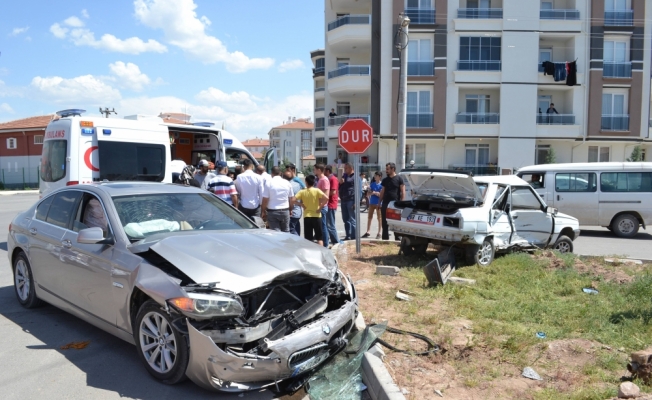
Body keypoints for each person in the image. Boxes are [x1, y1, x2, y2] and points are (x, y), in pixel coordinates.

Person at [295, 175, 329, 246]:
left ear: (306, 182)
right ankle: (321, 252)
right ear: (314, 182)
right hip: (317, 215)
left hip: (307, 216)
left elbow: (292, 200)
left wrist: (301, 204)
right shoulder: (317, 190)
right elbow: (326, 198)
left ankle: (309, 253)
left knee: (308, 238)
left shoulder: (302, 192)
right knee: (319, 237)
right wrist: (320, 207)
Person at [262, 166, 295, 232]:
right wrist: (291, 209)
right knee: (286, 231)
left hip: (272, 211)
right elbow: (291, 198)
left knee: (275, 233)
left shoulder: (269, 183)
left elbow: (265, 199)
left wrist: (263, 211)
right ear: (280, 173)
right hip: (285, 210)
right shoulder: (287, 183)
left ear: (272, 173)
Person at [380, 162, 405, 241]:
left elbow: (403, 191)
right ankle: (385, 239)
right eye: (386, 169)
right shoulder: (385, 180)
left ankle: (397, 239)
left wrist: (402, 203)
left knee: (395, 222)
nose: (386, 171)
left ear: (392, 169)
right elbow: (382, 191)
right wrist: (379, 202)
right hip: (385, 203)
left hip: (395, 204)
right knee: (384, 222)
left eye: (388, 169)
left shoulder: (399, 179)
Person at [284, 163, 305, 236]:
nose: (287, 172)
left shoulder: (295, 181)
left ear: (293, 170)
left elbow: (304, 190)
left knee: (292, 230)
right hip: (297, 210)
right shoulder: (295, 182)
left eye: (288, 170)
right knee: (296, 227)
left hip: (293, 210)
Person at [324, 165, 342, 246]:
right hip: (328, 203)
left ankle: (335, 241)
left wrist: (323, 195)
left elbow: (333, 192)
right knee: (327, 224)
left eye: (324, 171)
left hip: (331, 204)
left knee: (330, 224)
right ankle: (328, 240)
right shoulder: (328, 179)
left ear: (328, 171)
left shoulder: (333, 179)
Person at [313, 163, 330, 247]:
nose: (314, 171)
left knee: (322, 227)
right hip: (319, 206)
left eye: (315, 169)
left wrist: (320, 206)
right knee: (320, 227)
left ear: (319, 170)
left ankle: (325, 245)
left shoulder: (324, 180)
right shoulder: (319, 179)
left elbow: (326, 196)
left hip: (322, 207)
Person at [362, 171, 383, 239]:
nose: (375, 177)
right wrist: (372, 192)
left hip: (378, 203)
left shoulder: (382, 185)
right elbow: (368, 193)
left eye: (376, 175)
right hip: (371, 203)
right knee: (369, 218)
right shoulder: (372, 184)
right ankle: (368, 231)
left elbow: (381, 195)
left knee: (379, 218)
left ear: (380, 177)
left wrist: (375, 193)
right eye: (375, 175)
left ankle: (379, 232)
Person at [339, 163, 356, 240]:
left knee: (352, 219)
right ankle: (348, 235)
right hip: (343, 199)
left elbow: (358, 190)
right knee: (345, 219)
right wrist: (341, 182)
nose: (345, 170)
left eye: (346, 168)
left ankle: (353, 236)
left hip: (351, 200)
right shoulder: (345, 176)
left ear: (351, 168)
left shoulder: (355, 177)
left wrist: (356, 202)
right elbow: (340, 186)